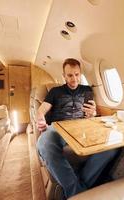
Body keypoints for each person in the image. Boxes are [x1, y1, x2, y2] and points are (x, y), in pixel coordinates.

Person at [36, 58, 118, 198]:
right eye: (70, 75)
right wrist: (40, 118)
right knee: (44, 142)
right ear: (64, 76)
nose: (74, 79)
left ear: (80, 74)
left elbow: (90, 116)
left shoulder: (87, 90)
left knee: (113, 144)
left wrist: (93, 114)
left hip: (82, 127)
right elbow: (41, 110)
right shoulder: (55, 91)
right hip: (59, 128)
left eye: (77, 74)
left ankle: (78, 189)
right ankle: (78, 193)